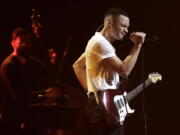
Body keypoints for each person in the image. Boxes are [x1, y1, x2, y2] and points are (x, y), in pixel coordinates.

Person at [73, 7, 146, 135]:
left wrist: (91, 91)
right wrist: (137, 45)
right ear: (110, 22)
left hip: (105, 104)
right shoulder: (100, 43)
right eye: (123, 25)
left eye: (127, 27)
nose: (126, 30)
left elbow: (77, 66)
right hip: (102, 108)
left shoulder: (97, 42)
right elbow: (124, 70)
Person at [0, 27, 50, 135]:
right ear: (13, 43)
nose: (26, 45)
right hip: (12, 121)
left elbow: (47, 70)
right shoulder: (8, 66)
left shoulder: (32, 62)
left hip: (29, 117)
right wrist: (45, 94)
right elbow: (19, 96)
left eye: (28, 42)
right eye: (22, 42)